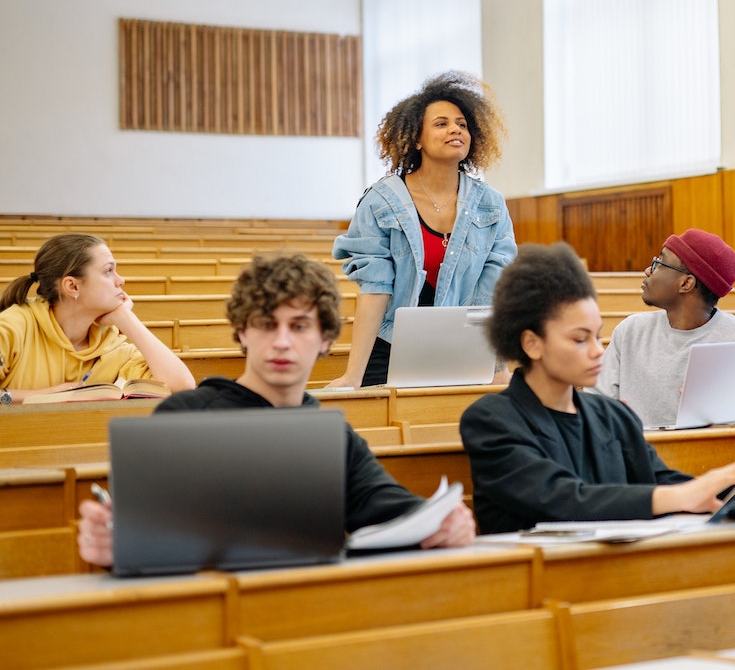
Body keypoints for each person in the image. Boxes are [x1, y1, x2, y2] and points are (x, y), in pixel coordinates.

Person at [78, 252, 474, 567]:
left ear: (325, 340)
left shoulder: (330, 435)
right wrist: (111, 539)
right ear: (242, 332)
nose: (282, 342)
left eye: (299, 326)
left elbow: (393, 508)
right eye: (268, 324)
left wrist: (449, 521)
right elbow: (138, 531)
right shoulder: (186, 415)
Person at [458, 242, 735, 534]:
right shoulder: (491, 419)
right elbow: (564, 499)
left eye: (598, 337)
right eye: (580, 340)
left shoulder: (612, 416)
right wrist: (687, 492)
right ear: (532, 344)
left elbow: (666, 482)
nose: (598, 351)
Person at [330, 70, 517, 388]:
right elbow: (375, 289)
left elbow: (491, 295)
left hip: (466, 347)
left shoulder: (491, 204)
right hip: (389, 346)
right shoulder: (380, 202)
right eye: (441, 123)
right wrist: (352, 376)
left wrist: (497, 366)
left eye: (462, 124)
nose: (455, 130)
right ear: (415, 137)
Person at [588, 229, 735, 427]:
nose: (648, 270)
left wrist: (733, 409)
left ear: (686, 283)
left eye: (659, 264)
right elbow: (595, 404)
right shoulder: (630, 332)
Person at [0, 233, 196, 405]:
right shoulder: (13, 326)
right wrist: (44, 396)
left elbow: (182, 388)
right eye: (109, 270)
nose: (121, 281)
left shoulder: (111, 344)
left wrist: (126, 318)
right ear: (72, 287)